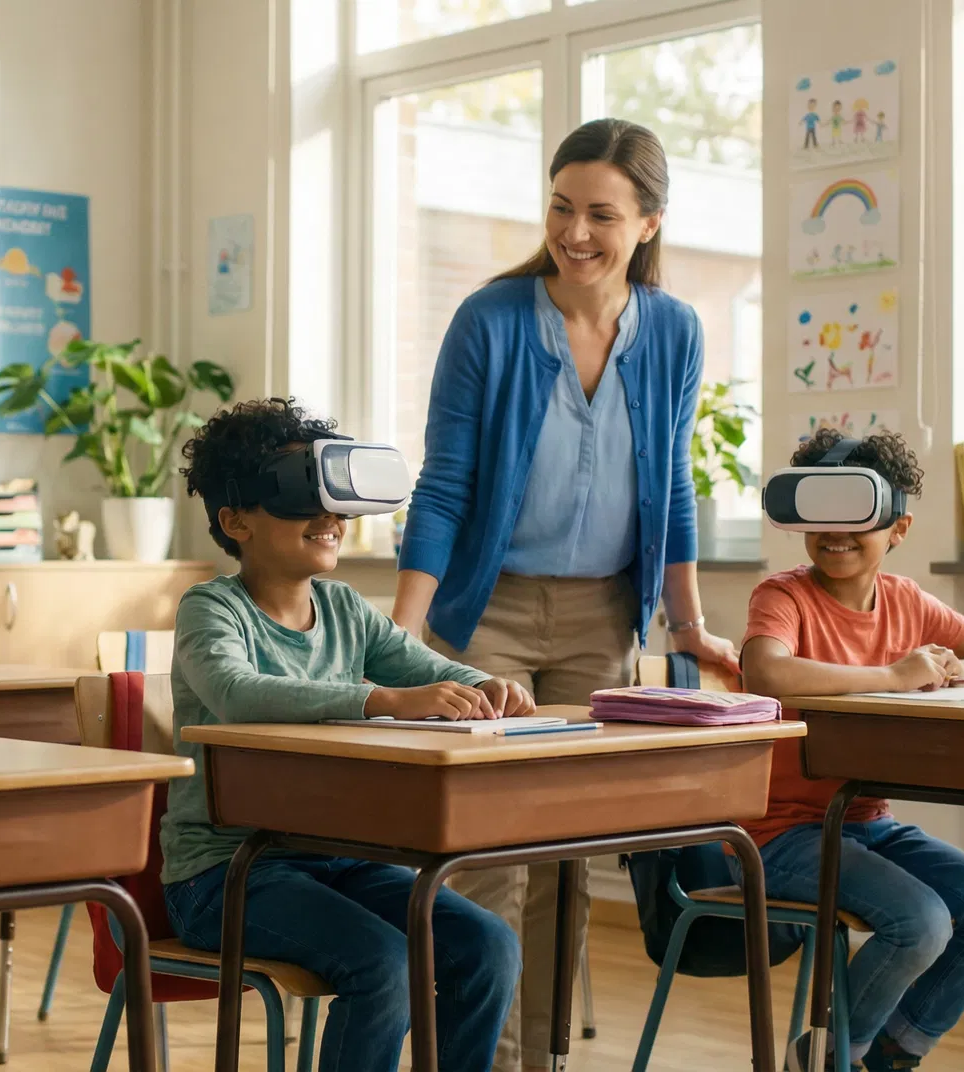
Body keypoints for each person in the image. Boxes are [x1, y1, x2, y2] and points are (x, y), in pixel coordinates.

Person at [390, 117, 737, 1072]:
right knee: (486, 855)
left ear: (649, 223)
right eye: (560, 207)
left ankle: (540, 1057)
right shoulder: (491, 321)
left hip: (600, 620)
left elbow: (671, 483)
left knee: (564, 855)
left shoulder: (673, 331)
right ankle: (480, 1060)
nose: (575, 232)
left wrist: (689, 623)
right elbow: (443, 486)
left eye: (602, 215)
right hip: (486, 612)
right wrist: (402, 637)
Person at [162, 398, 527, 1072]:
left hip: (341, 857)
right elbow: (237, 692)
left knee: (489, 947)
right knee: (383, 964)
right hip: (226, 874)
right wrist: (381, 699)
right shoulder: (211, 609)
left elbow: (430, 669)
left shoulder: (344, 608)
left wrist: (487, 685)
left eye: (334, 500)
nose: (328, 518)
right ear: (236, 521)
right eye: (302, 499)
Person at [741, 429, 964, 1072]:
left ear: (897, 528)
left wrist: (959, 668)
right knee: (921, 923)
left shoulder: (907, 601)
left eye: (857, 514)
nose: (836, 532)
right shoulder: (784, 596)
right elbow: (766, 671)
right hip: (779, 833)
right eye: (821, 513)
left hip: (867, 821)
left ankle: (890, 1052)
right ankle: (827, 1059)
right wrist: (894, 676)